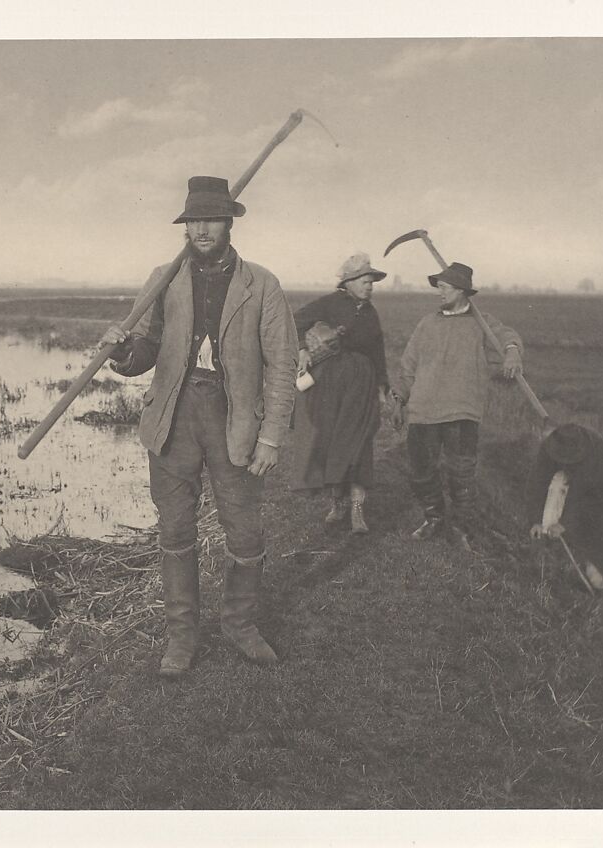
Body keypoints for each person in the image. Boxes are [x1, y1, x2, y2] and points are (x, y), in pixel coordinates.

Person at [99, 175, 298, 679]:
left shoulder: (262, 284)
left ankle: (240, 625)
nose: (202, 229)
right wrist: (122, 351)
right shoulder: (164, 279)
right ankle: (182, 638)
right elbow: (144, 350)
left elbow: (282, 364)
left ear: (229, 222)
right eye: (193, 221)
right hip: (174, 418)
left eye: (211, 219)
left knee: (245, 532)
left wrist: (271, 435)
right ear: (184, 226)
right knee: (175, 529)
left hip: (234, 421)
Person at [392, 261, 523, 548]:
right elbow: (408, 366)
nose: (439, 291)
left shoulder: (482, 323)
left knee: (461, 474)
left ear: (462, 291)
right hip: (424, 412)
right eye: (438, 286)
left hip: (462, 412)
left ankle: (461, 527)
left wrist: (512, 352)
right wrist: (399, 398)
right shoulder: (427, 323)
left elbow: (507, 337)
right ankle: (434, 518)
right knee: (421, 471)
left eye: (445, 286)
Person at [291, 253, 391, 533]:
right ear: (348, 282)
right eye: (364, 281)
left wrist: (382, 387)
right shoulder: (329, 303)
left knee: (359, 441)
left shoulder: (371, 313)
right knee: (333, 440)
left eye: (372, 283)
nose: (370, 287)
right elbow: (296, 320)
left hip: (361, 382)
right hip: (330, 383)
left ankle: (358, 509)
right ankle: (338, 502)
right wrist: (301, 349)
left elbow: (377, 351)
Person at [526, 423, 603, 590]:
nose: (565, 462)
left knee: (597, 526)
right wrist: (535, 520)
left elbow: (585, 497)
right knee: (557, 485)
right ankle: (549, 540)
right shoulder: (549, 446)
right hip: (574, 486)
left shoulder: (596, 457)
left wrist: (564, 523)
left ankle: (596, 567)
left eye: (568, 459)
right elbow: (536, 483)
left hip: (598, 491)